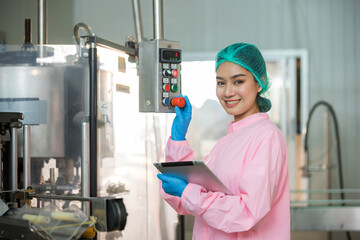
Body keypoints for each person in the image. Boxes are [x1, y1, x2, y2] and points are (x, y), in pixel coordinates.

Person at [157, 43, 290, 240]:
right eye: (221, 83)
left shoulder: (266, 136)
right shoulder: (226, 143)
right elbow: (186, 201)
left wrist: (188, 193)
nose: (228, 92)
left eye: (238, 82)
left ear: (260, 82)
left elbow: (248, 214)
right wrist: (178, 140)